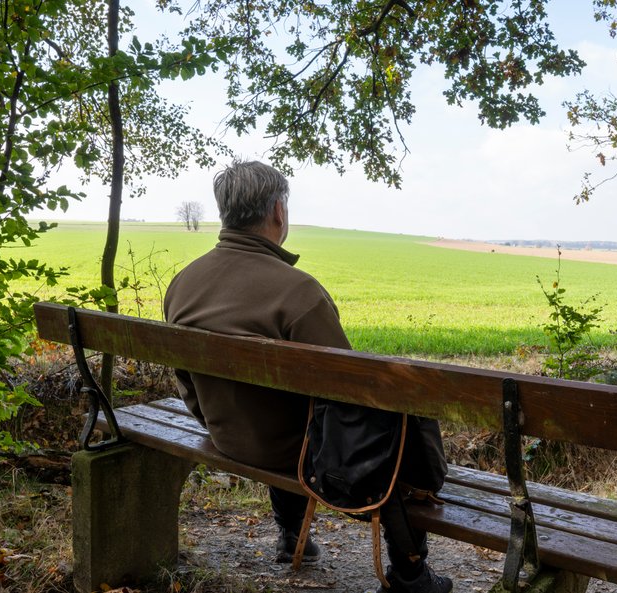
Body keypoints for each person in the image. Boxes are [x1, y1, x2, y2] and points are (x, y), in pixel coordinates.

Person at [163, 160, 452, 593]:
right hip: (296, 452)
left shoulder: (183, 283)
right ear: (278, 212)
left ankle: (290, 533)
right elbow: (353, 391)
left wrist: (214, 421)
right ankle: (410, 575)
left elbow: (186, 380)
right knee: (396, 422)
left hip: (228, 436)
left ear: (226, 213)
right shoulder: (299, 292)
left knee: (289, 411)